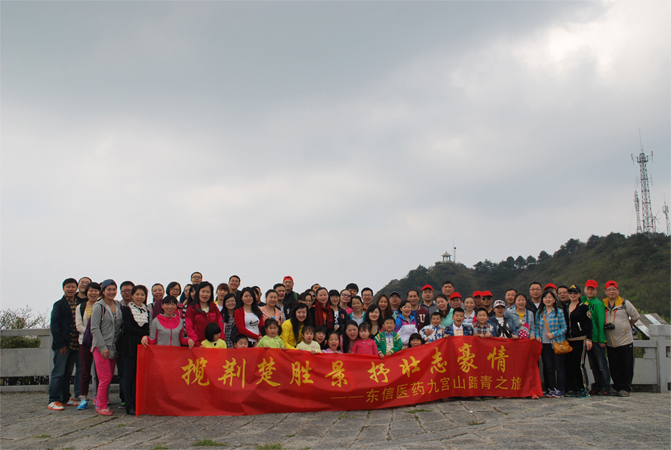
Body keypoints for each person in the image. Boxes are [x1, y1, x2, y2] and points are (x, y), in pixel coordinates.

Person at [90, 279, 123, 416]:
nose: (112, 292)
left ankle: (102, 400)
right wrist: (103, 347)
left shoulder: (118, 305)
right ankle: (101, 406)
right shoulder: (99, 306)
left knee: (108, 376)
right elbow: (94, 328)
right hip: (101, 347)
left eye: (114, 289)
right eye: (108, 289)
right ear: (103, 291)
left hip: (114, 346)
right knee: (104, 377)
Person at [48, 278, 82, 411]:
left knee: (68, 373)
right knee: (58, 372)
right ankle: (53, 399)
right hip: (63, 345)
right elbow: (54, 326)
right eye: (68, 287)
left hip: (75, 344)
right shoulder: (59, 305)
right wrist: (61, 344)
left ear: (76, 288)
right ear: (63, 288)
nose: (70, 289)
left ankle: (65, 398)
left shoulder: (79, 303)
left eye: (73, 287)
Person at [603, 281, 640, 397]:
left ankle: (626, 387)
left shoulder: (625, 303)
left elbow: (635, 316)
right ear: (605, 292)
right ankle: (616, 386)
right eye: (609, 290)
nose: (611, 292)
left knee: (626, 365)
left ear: (618, 291)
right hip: (610, 341)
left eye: (614, 289)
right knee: (614, 366)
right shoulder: (603, 304)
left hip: (625, 340)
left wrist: (627, 325)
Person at [120, 285, 150, 415]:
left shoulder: (147, 311)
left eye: (142, 294)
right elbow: (128, 327)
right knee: (128, 374)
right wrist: (143, 334)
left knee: (138, 374)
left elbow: (148, 329)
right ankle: (129, 402)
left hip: (142, 345)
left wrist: (145, 335)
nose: (140, 297)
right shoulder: (126, 309)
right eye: (137, 294)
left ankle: (137, 400)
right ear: (132, 295)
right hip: (129, 344)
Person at [535, 290, 567, 398]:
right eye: (545, 298)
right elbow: (536, 328)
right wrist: (537, 335)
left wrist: (554, 334)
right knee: (548, 367)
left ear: (554, 300)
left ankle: (560, 389)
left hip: (557, 343)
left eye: (550, 297)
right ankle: (551, 388)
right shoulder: (539, 313)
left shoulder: (559, 312)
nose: (547, 299)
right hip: (544, 344)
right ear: (542, 300)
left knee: (559, 367)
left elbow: (564, 328)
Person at [582, 279, 611, 396]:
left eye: (592, 289)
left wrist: (602, 339)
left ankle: (605, 386)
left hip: (597, 339)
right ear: (584, 290)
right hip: (587, 339)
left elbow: (600, 322)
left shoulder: (598, 304)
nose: (589, 291)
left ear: (596, 291)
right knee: (593, 366)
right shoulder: (584, 303)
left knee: (602, 365)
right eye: (588, 289)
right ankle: (597, 385)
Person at [75, 281, 100, 410]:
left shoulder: (102, 306)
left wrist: (97, 334)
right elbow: (79, 325)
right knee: (85, 371)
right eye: (91, 290)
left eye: (96, 291)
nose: (93, 293)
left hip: (99, 342)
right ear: (87, 292)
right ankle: (83, 398)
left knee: (99, 372)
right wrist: (92, 332)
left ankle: (98, 397)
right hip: (84, 342)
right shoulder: (80, 307)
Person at [565, 285, 592, 398]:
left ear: (580, 294)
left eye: (575, 293)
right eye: (570, 293)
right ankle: (572, 387)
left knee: (579, 364)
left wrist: (588, 339)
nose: (573, 295)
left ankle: (583, 388)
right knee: (569, 365)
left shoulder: (583, 307)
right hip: (568, 340)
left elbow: (589, 324)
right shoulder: (565, 307)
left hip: (580, 339)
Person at [185, 281, 225, 347]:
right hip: (199, 347)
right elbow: (189, 328)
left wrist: (219, 342)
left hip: (215, 347)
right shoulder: (192, 309)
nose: (205, 294)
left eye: (208, 292)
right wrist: (198, 344)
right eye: (203, 291)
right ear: (198, 293)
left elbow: (221, 326)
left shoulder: (214, 308)